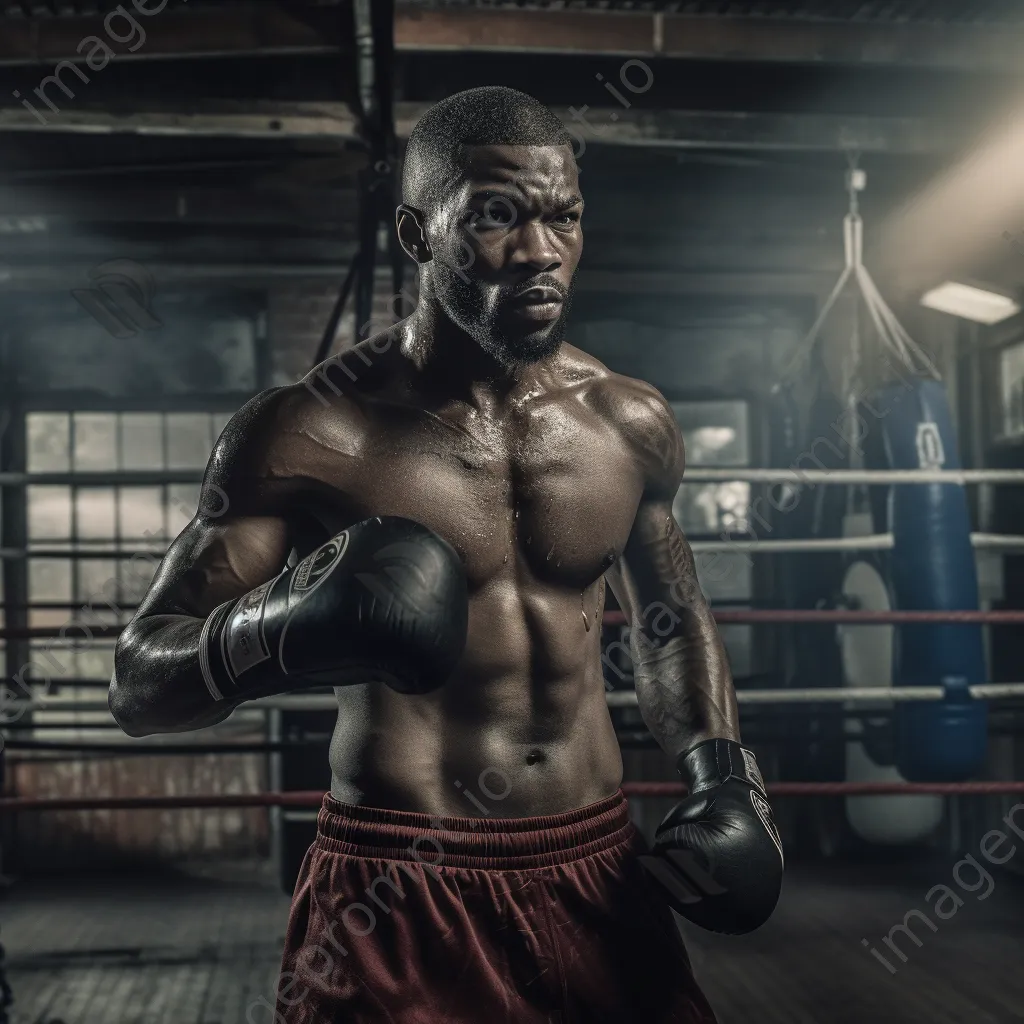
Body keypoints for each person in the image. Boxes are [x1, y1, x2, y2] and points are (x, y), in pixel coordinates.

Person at [109, 86, 782, 1024]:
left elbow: (670, 622)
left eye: (565, 216)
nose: (542, 252)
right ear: (418, 234)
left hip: (598, 869)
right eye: (498, 217)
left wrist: (725, 777)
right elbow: (139, 684)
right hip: (396, 889)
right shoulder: (309, 432)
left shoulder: (628, 421)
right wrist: (276, 629)